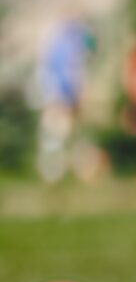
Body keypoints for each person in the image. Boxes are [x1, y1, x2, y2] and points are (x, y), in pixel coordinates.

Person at [35, 14, 94, 183]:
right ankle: (53, 174)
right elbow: (61, 72)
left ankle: (72, 172)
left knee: (71, 136)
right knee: (56, 136)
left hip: (67, 96)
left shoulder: (71, 42)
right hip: (60, 97)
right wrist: (61, 96)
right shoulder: (62, 44)